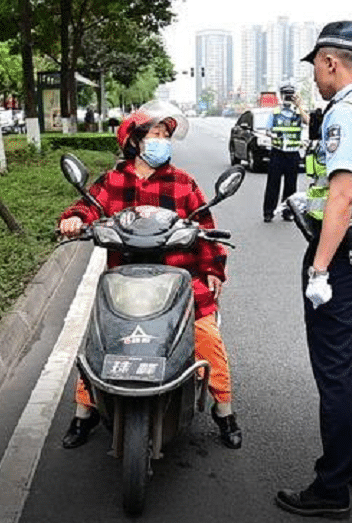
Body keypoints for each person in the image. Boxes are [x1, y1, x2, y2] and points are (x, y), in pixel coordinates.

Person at [58, 100, 242, 449]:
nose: (162, 141)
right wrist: (75, 220)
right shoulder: (112, 181)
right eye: (155, 134)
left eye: (165, 135)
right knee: (99, 338)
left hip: (179, 278)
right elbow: (88, 206)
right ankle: (85, 412)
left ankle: (224, 410)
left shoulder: (183, 183)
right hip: (124, 281)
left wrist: (213, 268)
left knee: (206, 336)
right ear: (134, 141)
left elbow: (205, 225)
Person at [275, 21, 352, 519]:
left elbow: (346, 194)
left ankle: (332, 487)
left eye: (316, 68)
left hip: (342, 261)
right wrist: (309, 199)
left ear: (331, 62)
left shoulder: (343, 115)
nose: (314, 78)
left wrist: (319, 270)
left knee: (335, 371)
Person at [263, 83, 308, 222]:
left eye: (291, 94)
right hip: (277, 153)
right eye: (286, 94)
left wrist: (300, 105)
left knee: (291, 186)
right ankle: (268, 212)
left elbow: (308, 122)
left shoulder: (298, 112)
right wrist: (273, 136)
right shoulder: (275, 113)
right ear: (281, 96)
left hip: (293, 154)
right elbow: (268, 130)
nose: (288, 97)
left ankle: (288, 212)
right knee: (272, 184)